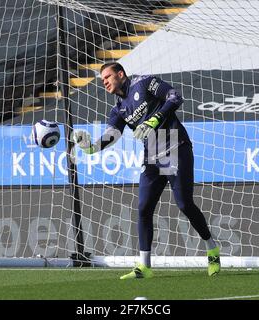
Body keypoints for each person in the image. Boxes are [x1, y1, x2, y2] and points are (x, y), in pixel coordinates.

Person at [73, 62, 220, 279]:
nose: (104, 82)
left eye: (107, 77)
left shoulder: (144, 83)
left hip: (173, 146)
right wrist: (91, 147)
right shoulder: (119, 108)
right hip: (152, 154)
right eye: (102, 79)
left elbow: (175, 97)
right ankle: (145, 266)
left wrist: (153, 120)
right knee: (143, 208)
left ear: (120, 74)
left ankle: (212, 250)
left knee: (184, 204)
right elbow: (113, 133)